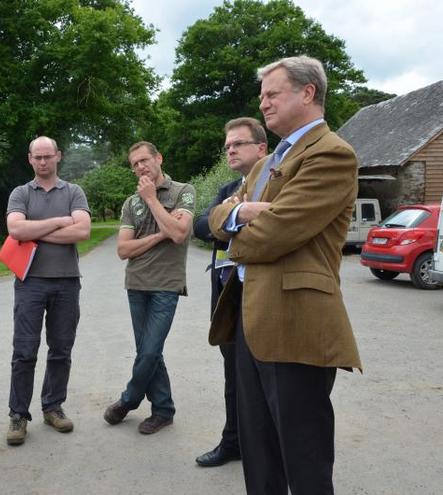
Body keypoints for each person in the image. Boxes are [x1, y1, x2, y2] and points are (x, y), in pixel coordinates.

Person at [207, 56, 362, 494]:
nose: (263, 104)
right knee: (258, 455)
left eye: (272, 94)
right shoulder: (267, 160)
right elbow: (214, 217)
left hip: (297, 324)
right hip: (251, 322)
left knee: (304, 457)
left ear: (307, 93)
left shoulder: (331, 153)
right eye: (261, 96)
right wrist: (239, 212)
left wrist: (233, 230)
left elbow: (276, 233)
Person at [103, 141, 195, 435]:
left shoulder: (183, 191)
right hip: (136, 284)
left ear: (159, 158)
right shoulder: (131, 203)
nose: (140, 167)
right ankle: (164, 409)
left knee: (151, 349)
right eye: (135, 164)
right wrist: (159, 235)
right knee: (149, 351)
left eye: (144, 160)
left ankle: (128, 399)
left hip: (166, 285)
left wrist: (153, 199)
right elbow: (123, 250)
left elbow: (179, 234)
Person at [4, 136, 91, 446]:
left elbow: (82, 231)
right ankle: (18, 414)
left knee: (61, 350)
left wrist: (36, 231)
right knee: (24, 351)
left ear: (58, 157)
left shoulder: (74, 192)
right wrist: (58, 223)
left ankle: (53, 407)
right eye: (37, 157)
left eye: (47, 156)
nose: (42, 162)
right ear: (30, 159)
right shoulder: (20, 193)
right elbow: (16, 230)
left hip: (67, 281)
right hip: (30, 282)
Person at [193, 117, 267, 467]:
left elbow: (268, 227)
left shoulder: (273, 188)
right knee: (233, 379)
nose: (230, 150)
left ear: (262, 148)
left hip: (264, 301)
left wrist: (228, 218)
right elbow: (201, 226)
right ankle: (233, 442)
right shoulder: (227, 190)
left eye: (238, 144)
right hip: (227, 301)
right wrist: (234, 211)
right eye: (227, 146)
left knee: (266, 381)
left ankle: (265, 449)